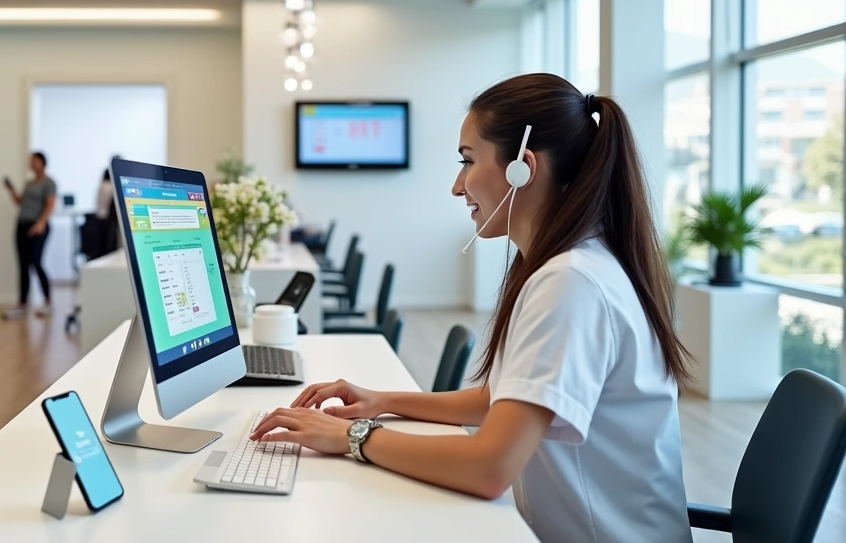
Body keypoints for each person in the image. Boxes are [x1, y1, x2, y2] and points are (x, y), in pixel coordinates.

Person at [249, 73, 694, 542]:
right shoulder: (576, 264)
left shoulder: (570, 283)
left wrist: (353, 436)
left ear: (522, 167)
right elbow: (501, 399)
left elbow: (489, 468)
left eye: (467, 161)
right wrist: (381, 401)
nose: (457, 186)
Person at [2, 152, 57, 318]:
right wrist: (11, 190)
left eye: (35, 161)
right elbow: (21, 202)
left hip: (38, 226)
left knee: (36, 262)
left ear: (42, 162)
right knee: (23, 265)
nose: (31, 164)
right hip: (22, 225)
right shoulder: (29, 183)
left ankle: (48, 302)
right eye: (30, 161)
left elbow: (50, 205)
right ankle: (22, 305)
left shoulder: (49, 183)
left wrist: (40, 223)